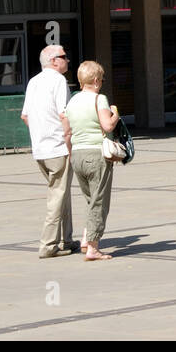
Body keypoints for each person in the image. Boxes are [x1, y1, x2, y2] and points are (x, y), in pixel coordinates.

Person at [20, 44, 76, 259]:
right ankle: (48, 245)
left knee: (62, 194)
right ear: (54, 60)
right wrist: (69, 142)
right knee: (57, 196)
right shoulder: (58, 80)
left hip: (41, 148)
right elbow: (65, 115)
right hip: (57, 147)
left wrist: (39, 134)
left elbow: (25, 116)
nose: (67, 60)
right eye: (64, 56)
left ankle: (66, 239)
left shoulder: (34, 81)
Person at [64, 60, 120, 262]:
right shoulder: (100, 99)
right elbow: (107, 126)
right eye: (102, 79)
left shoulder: (72, 102)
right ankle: (93, 248)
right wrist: (115, 115)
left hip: (77, 154)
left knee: (90, 199)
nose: (102, 82)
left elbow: (67, 132)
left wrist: (71, 154)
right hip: (97, 154)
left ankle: (86, 240)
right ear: (96, 80)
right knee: (99, 201)